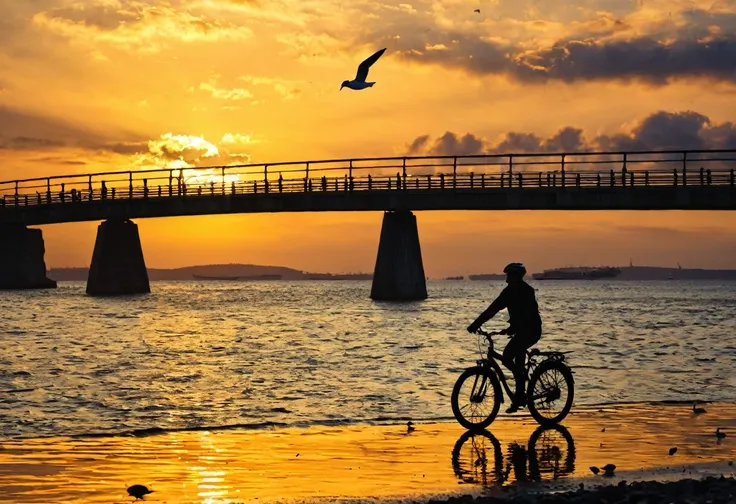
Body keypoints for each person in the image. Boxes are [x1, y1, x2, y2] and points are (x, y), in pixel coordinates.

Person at [467, 262, 542, 414]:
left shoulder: (527, 291)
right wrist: (475, 324)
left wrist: (513, 328)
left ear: (516, 277)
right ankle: (519, 396)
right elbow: (492, 309)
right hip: (520, 331)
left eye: (509, 275)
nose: (507, 278)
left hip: (531, 330)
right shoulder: (508, 292)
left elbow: (529, 314)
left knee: (507, 357)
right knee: (517, 362)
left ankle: (520, 389)